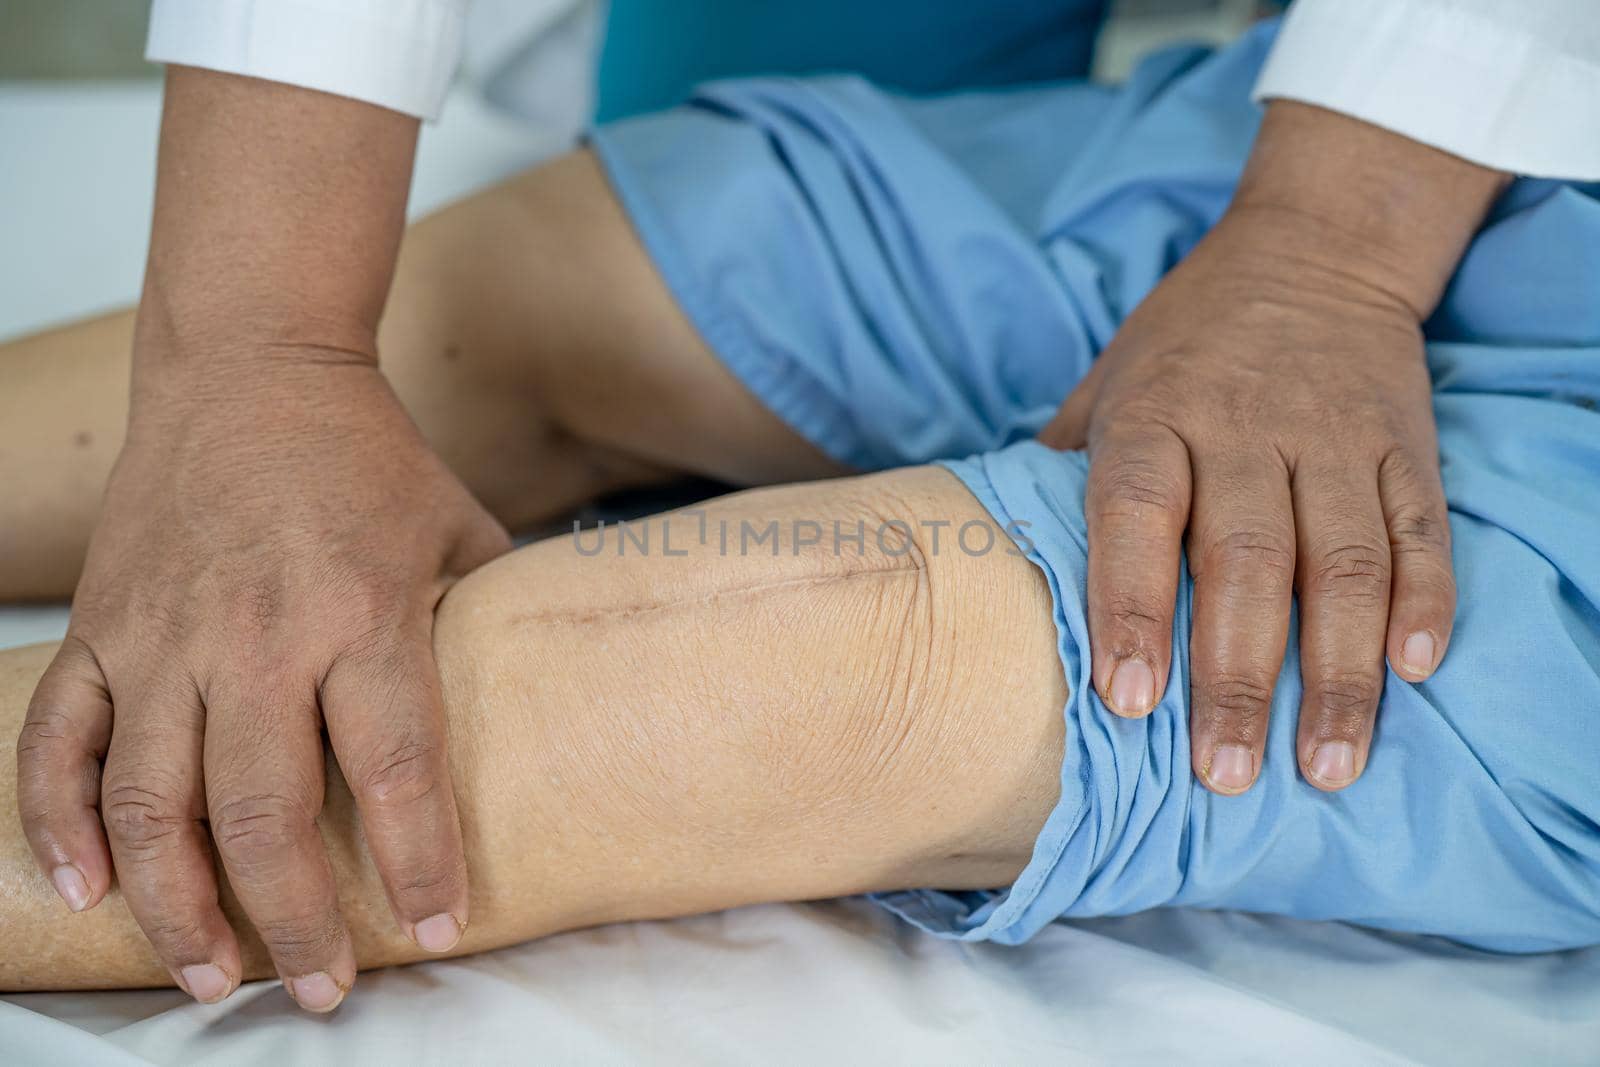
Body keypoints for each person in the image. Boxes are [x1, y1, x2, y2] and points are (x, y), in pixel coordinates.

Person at [13, 0, 1600, 1011]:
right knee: (522, 309)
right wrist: (250, 351)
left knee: (828, 664)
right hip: (1308, 118)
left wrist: (1330, 251)